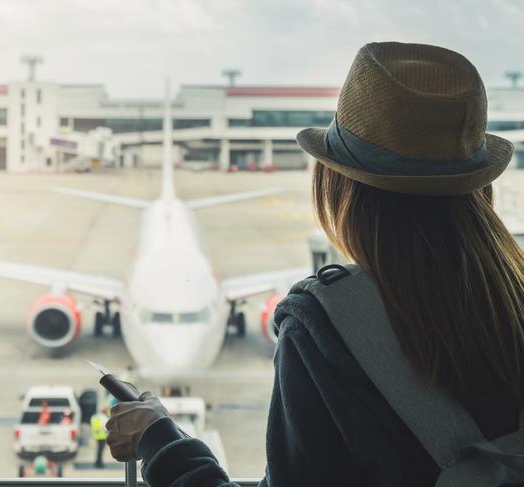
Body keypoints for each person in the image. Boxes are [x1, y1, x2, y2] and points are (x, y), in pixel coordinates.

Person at [105, 42, 524, 486]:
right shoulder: (510, 302)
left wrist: (161, 441)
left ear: (340, 186)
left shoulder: (324, 329)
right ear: (480, 187)